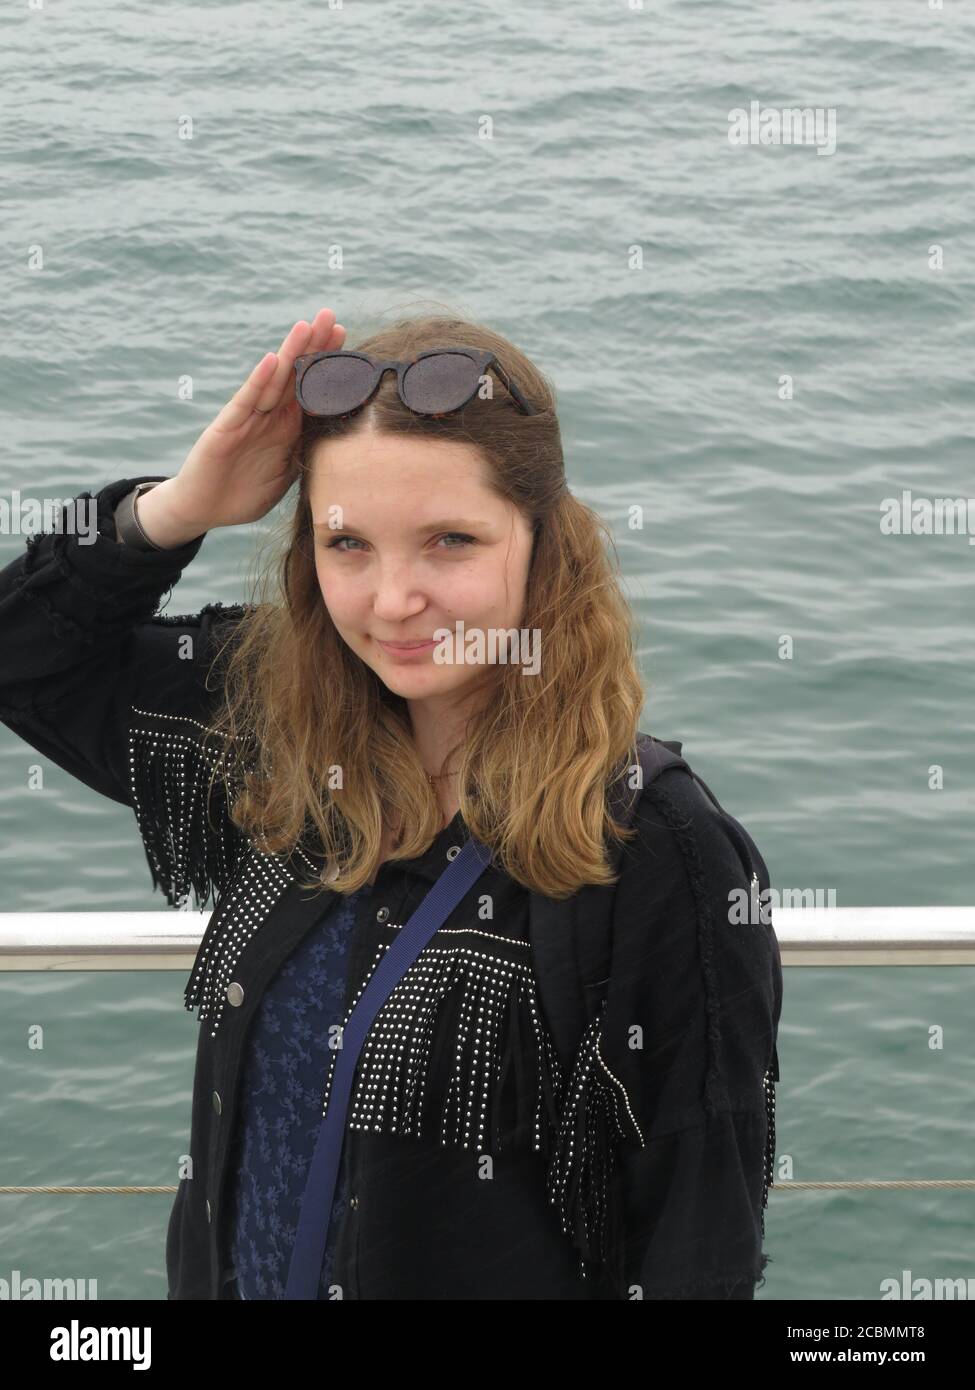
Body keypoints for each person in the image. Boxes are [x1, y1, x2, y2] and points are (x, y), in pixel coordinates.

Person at [0, 307, 783, 1300]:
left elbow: (697, 1242)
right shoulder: (270, 734)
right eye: (349, 544)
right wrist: (179, 506)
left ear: (545, 543)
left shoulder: (647, 843)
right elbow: (24, 657)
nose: (392, 599)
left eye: (450, 540)